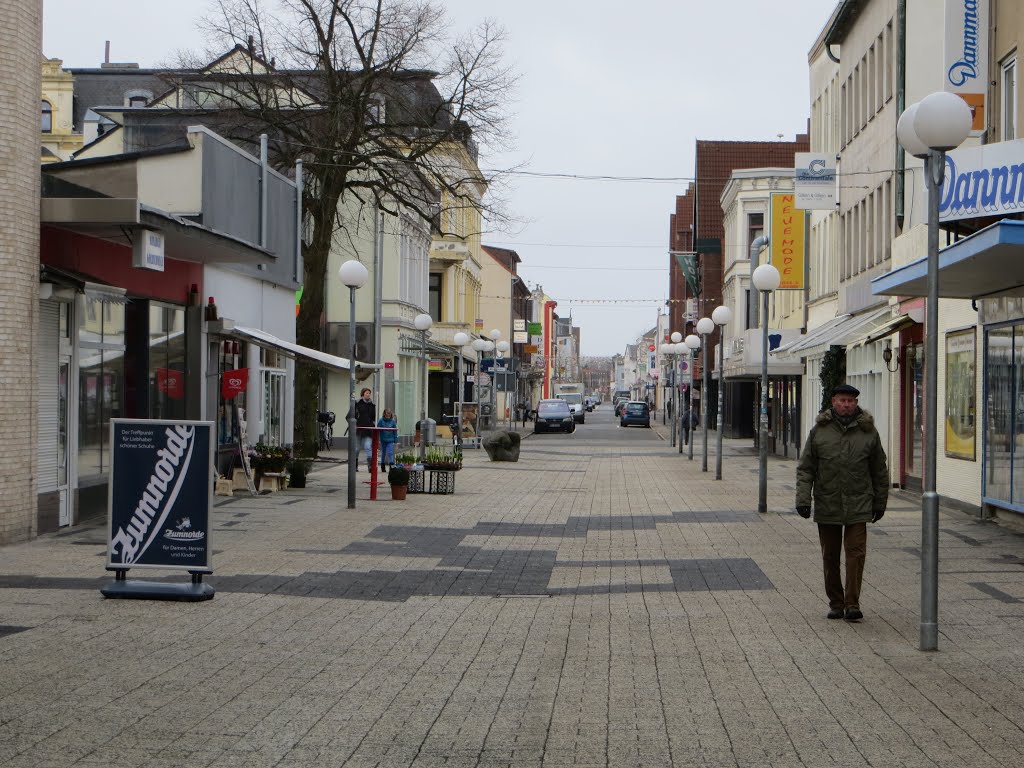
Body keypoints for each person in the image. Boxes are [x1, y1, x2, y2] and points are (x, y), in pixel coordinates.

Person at [796, 383, 888, 622]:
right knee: (830, 556)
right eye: (842, 400)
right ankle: (836, 603)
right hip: (828, 502)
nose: (846, 405)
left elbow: (879, 470)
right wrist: (803, 499)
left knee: (856, 554)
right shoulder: (820, 431)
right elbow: (806, 469)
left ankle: (852, 603)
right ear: (833, 402)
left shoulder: (869, 432)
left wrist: (880, 502)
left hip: (859, 504)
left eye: (851, 401)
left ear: (856, 403)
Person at [352, 387, 376, 473]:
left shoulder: (373, 405)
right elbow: (351, 416)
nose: (368, 394)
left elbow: (374, 417)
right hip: (358, 429)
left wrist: (373, 424)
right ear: (363, 394)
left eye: (369, 393)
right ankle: (354, 465)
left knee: (367, 446)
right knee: (356, 448)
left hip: (368, 430)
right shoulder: (357, 403)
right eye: (366, 393)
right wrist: (353, 424)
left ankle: (370, 466)